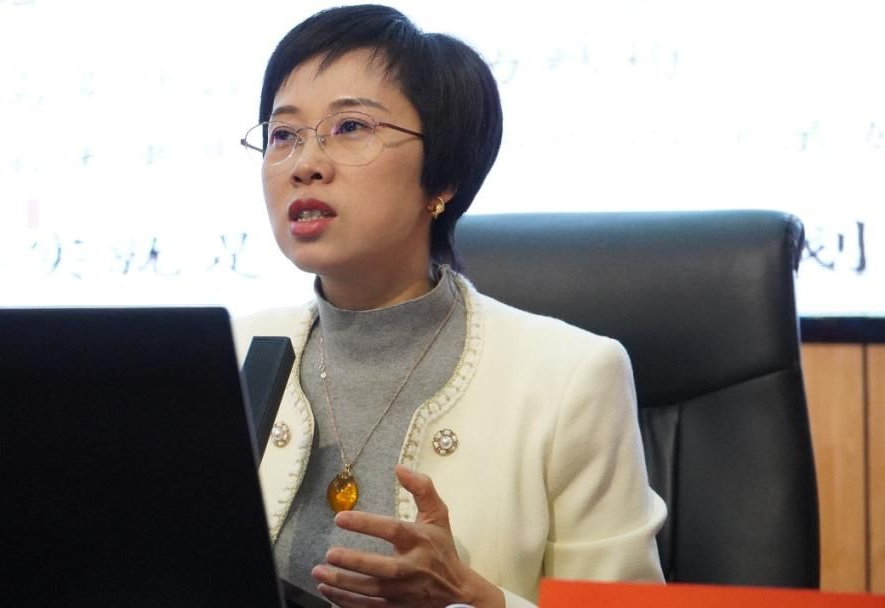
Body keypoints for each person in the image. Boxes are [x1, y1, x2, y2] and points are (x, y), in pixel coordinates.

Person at [233, 5, 666, 607]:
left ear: (442, 179)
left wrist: (471, 596)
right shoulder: (231, 353)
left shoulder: (572, 377)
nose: (305, 165)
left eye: (351, 126)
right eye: (283, 135)